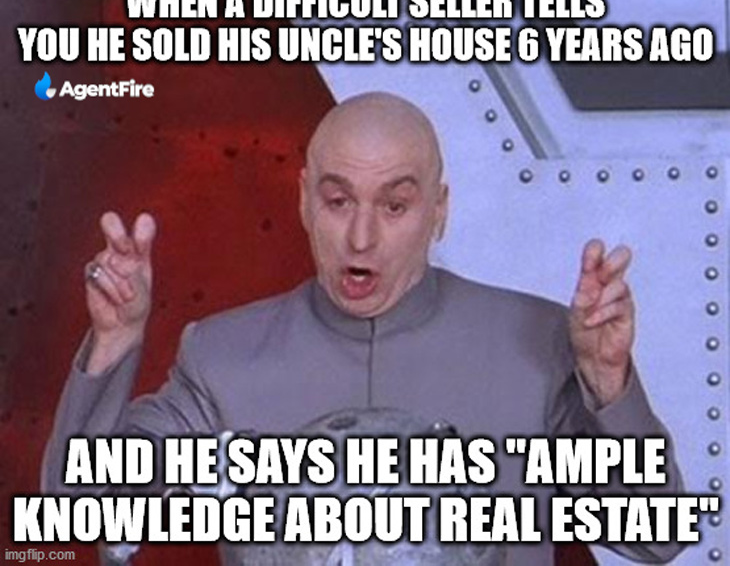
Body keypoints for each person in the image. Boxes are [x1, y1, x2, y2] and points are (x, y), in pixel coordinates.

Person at [42, 92, 683, 565]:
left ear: (439, 210)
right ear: (303, 200)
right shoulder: (223, 355)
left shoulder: (535, 341)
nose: (361, 237)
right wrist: (115, 340)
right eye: (338, 200)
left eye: (395, 205)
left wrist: (608, 382)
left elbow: (654, 538)